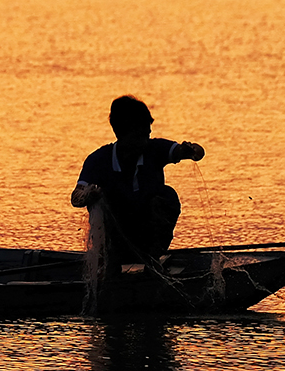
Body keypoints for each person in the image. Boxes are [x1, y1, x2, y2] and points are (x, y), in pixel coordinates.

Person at [71, 95, 205, 263]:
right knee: (103, 202)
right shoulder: (99, 159)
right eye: (143, 130)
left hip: (147, 237)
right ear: (126, 133)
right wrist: (89, 195)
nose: (149, 133)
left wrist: (190, 150)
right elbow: (76, 197)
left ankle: (152, 261)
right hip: (114, 241)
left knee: (167, 195)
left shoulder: (154, 149)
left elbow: (197, 153)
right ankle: (111, 270)